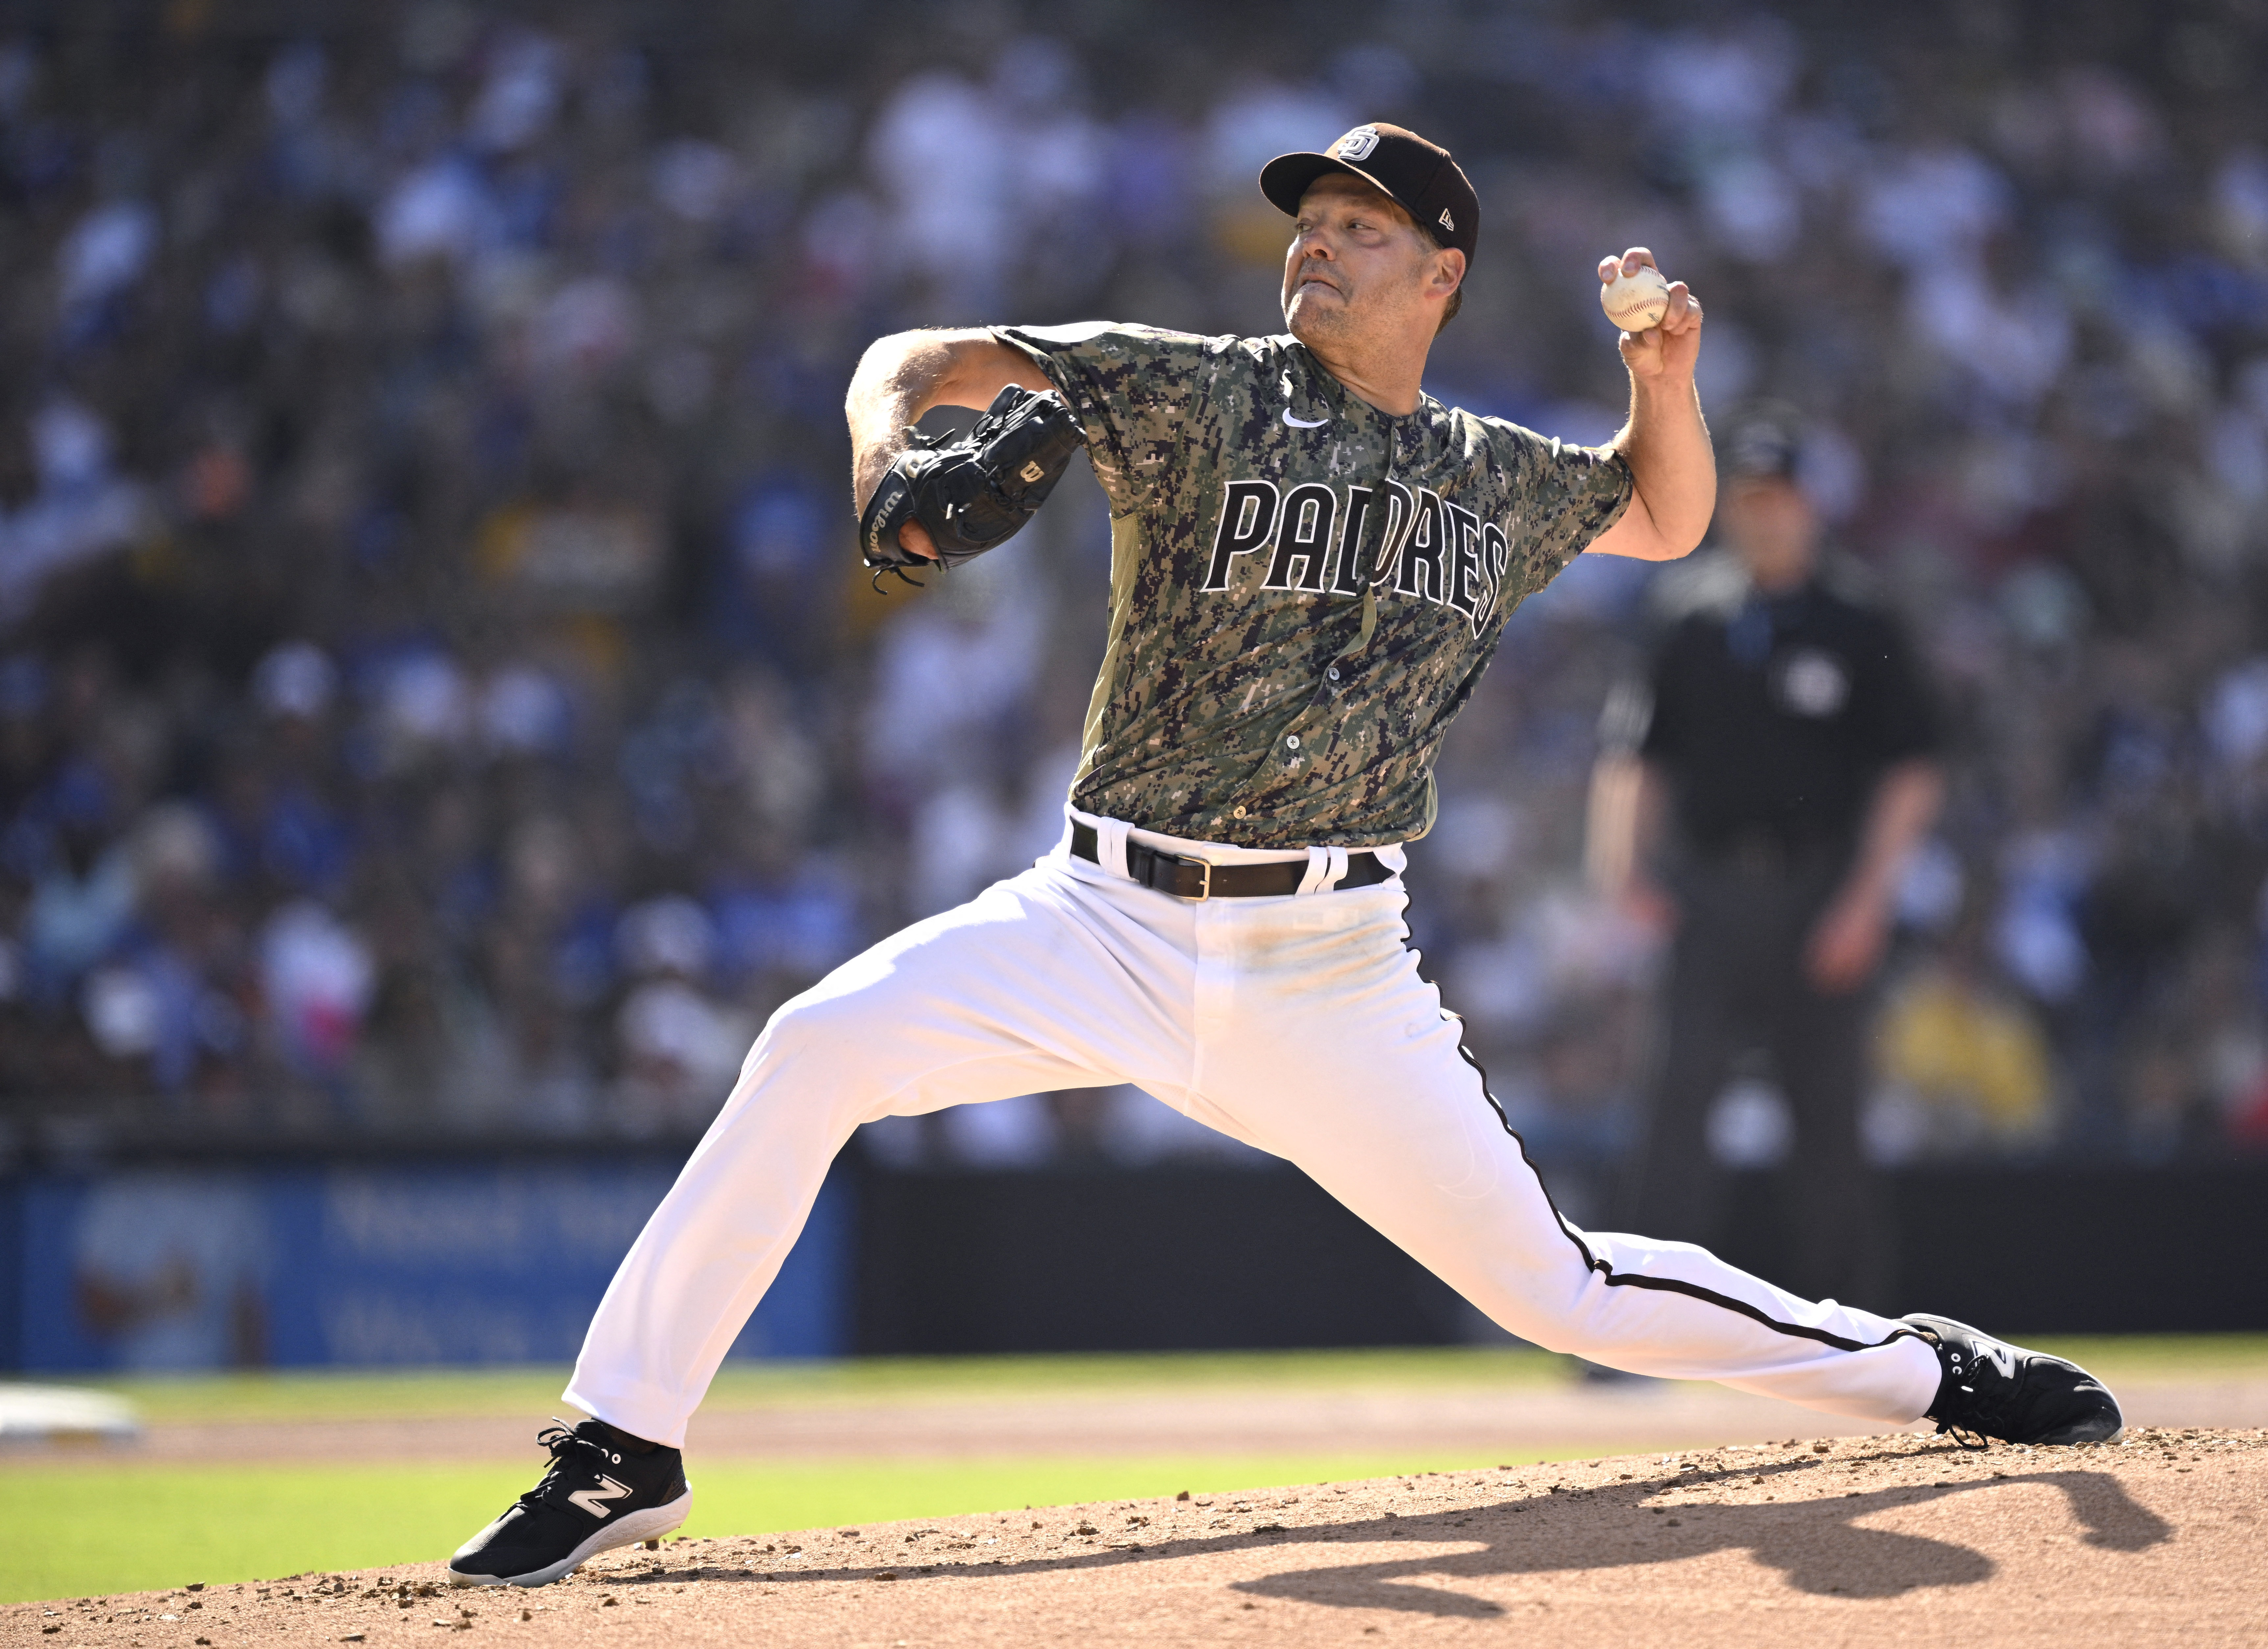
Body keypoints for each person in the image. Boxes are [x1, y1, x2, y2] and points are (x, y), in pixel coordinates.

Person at [447, 123, 2120, 1589]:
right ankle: (621, 1449)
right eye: (1306, 225)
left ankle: (1925, 1376)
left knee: (1561, 1293)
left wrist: (1663, 385)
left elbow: (1667, 519)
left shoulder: (1487, 476)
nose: (1314, 248)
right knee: (813, 1051)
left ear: (1441, 278)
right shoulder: (1197, 390)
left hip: (1331, 969)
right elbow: (917, 350)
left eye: (1359, 231)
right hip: (1098, 917)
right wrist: (891, 464)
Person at [1587, 407, 1942, 1306]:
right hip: (1706, 891)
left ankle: (1857, 1327)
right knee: (1674, 1108)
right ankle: (1644, 1323)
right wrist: (1620, 871)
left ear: (1809, 506)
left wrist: (1866, 900)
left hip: (1817, 890)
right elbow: (1635, 755)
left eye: (1778, 498)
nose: (1765, 515)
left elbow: (1910, 771)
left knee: (1826, 1118)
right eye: (1748, 500)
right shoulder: (1688, 616)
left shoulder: (1857, 619)